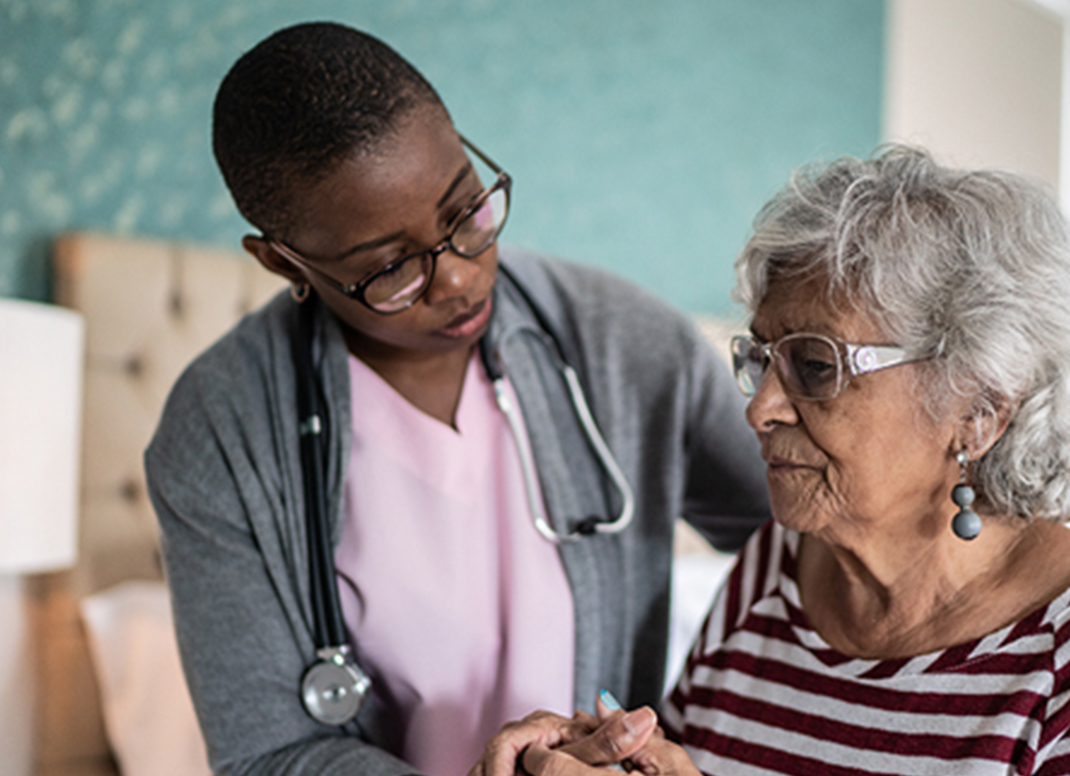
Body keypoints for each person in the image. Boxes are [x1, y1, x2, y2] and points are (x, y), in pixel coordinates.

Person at [481, 147, 1070, 775]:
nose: (759, 409)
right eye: (762, 359)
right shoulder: (770, 575)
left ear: (977, 409)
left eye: (814, 365)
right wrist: (602, 757)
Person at [144, 21, 769, 776]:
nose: (458, 280)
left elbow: (817, 537)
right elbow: (266, 753)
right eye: (390, 269)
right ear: (283, 261)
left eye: (464, 212)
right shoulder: (221, 432)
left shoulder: (627, 345)